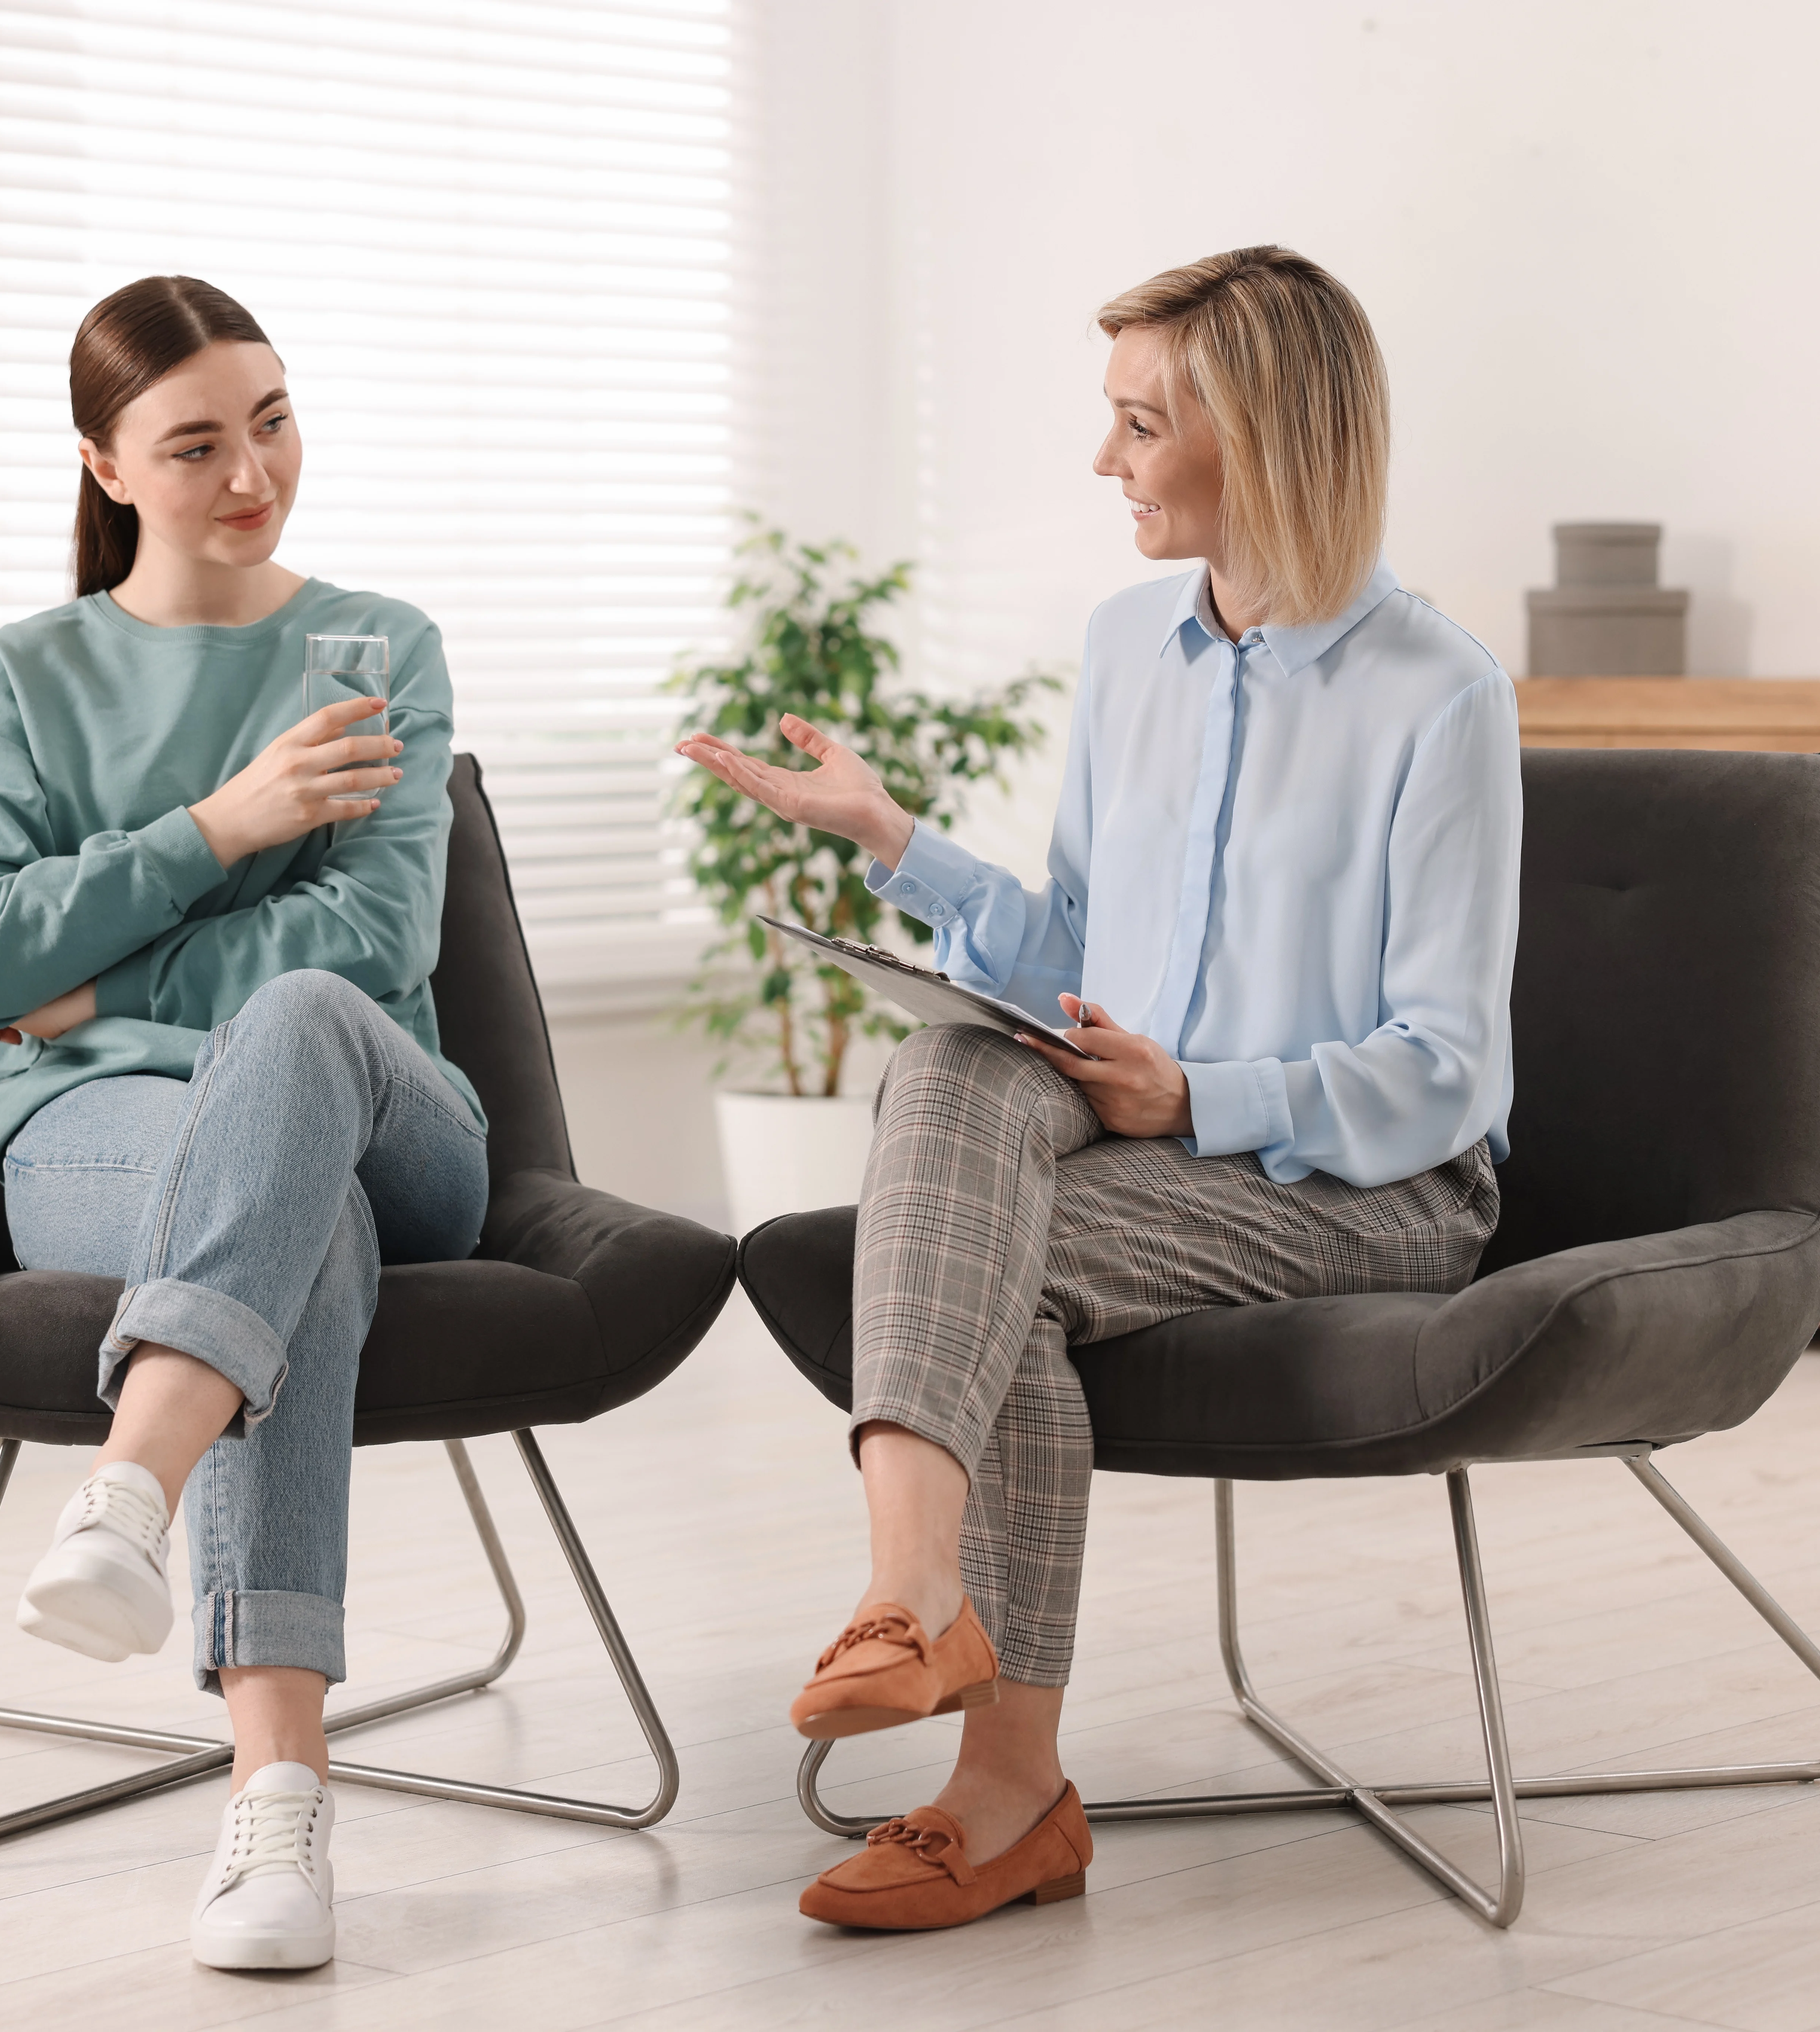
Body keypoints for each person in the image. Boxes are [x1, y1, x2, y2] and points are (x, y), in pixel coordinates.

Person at [678, 245, 1521, 1933]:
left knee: (1003, 1262)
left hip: (1366, 1183)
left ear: (1265, 437)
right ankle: (924, 1603)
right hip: (1138, 1134)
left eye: (1140, 425)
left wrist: (1199, 1095)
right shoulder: (1132, 644)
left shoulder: (1440, 697)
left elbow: (1448, 1070)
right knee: (943, 1057)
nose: (1104, 463)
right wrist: (891, 845)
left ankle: (1001, 1783)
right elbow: (1077, 946)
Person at [0, 275, 488, 1973]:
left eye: (274, 420)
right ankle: (276, 1806)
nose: (253, 473)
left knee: (303, 1033)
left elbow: (369, 948)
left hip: (394, 1114)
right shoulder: (20, 679)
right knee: (286, 1218)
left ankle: (128, 1495)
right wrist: (217, 826)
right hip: (99, 1142)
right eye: (195, 443)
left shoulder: (378, 649)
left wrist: (97, 989)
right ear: (103, 464)